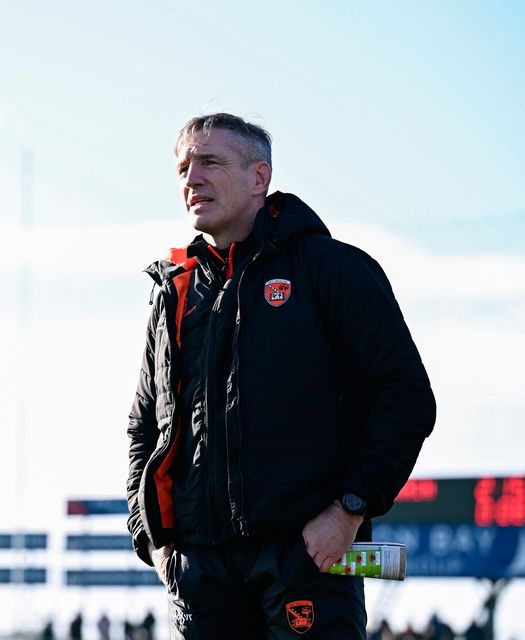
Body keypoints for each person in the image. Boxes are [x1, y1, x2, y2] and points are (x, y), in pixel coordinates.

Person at [125, 113, 436, 638]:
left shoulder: (331, 269)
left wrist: (349, 510)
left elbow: (405, 397)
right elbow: (144, 427)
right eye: (183, 167)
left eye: (210, 162)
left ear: (259, 178)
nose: (191, 179)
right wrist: (152, 540)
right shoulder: (174, 293)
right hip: (202, 578)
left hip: (309, 562)